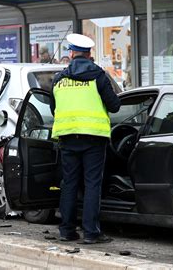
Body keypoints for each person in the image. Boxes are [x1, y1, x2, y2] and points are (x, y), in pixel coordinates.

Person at [49, 33, 120, 244]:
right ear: (89, 55)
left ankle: (67, 231)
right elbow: (115, 105)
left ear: (71, 53)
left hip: (68, 138)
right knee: (92, 185)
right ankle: (91, 233)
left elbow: (54, 109)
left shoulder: (59, 79)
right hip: (93, 139)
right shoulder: (98, 76)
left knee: (69, 184)